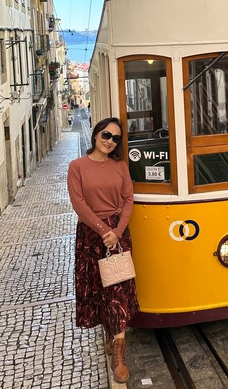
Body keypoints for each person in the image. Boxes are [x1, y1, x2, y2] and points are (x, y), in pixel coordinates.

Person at [67, 117, 139, 383]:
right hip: (91, 235)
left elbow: (128, 198)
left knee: (118, 290)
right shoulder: (77, 166)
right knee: (99, 289)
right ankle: (111, 334)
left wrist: (117, 233)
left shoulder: (120, 166)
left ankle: (119, 352)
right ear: (97, 134)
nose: (110, 141)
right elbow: (78, 202)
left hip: (118, 236)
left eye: (116, 138)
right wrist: (103, 231)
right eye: (107, 135)